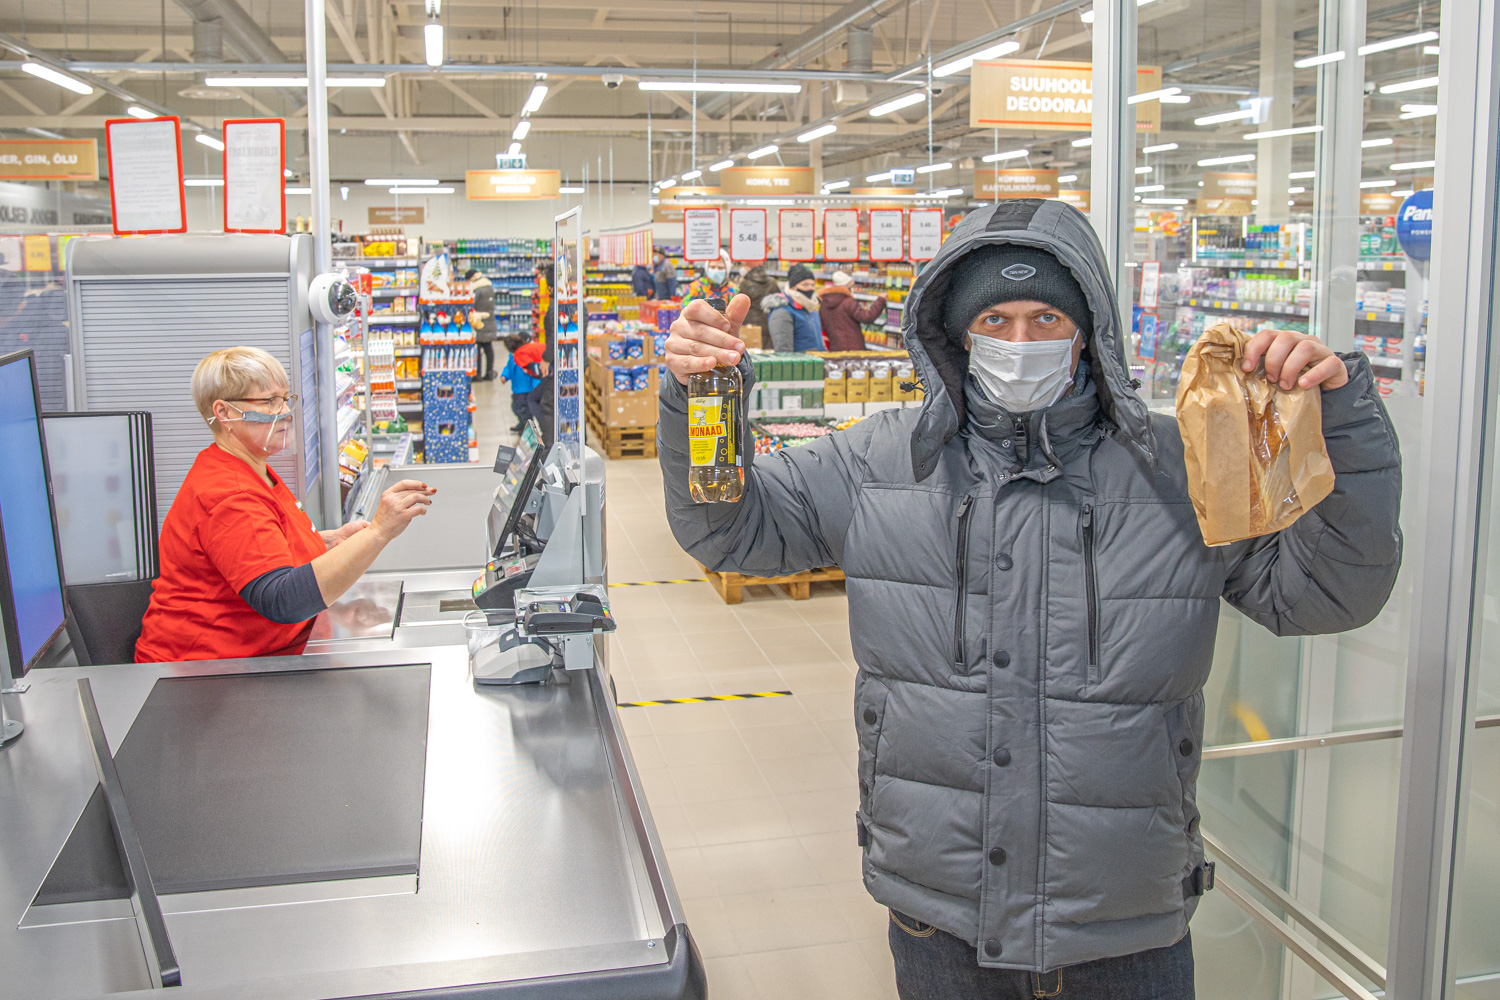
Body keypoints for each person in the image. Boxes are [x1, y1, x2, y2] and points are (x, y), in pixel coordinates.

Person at [656, 200, 1401, 999]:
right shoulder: (877, 464)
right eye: (996, 319)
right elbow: (732, 532)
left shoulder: (1180, 473)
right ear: (955, 332)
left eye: (1046, 315)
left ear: (1087, 331)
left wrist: (1342, 420)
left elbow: (1324, 595)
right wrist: (697, 400)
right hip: (940, 921)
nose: (1020, 342)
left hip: (1126, 925)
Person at [136, 347, 436, 663]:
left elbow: (258, 550)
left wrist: (329, 541)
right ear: (224, 413)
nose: (284, 412)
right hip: (203, 675)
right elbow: (284, 601)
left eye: (285, 399)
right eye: (269, 402)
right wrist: (377, 532)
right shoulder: (229, 494)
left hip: (251, 656)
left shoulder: (250, 467)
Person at [818, 269, 888, 352]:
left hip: (835, 348)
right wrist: (881, 300)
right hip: (854, 348)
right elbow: (867, 317)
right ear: (847, 287)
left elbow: (822, 327)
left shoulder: (823, 304)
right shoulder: (848, 302)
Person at [761, 262, 823, 352]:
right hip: (801, 364)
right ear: (793, 286)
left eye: (812, 285)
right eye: (805, 285)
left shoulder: (811, 308)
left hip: (815, 363)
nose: (810, 288)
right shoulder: (782, 311)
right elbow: (783, 350)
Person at [502, 333, 544, 432]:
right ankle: (523, 425)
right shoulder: (513, 357)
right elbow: (508, 368)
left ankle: (529, 429)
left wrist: (536, 384)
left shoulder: (524, 355)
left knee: (525, 410)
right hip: (517, 389)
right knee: (516, 407)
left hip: (527, 389)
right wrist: (504, 376)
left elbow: (535, 371)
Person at [466, 268, 499, 380]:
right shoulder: (489, 287)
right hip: (490, 320)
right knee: (488, 348)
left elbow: (471, 305)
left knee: (478, 348)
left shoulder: (476, 289)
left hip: (478, 321)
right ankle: (489, 372)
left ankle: (477, 374)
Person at [737, 262, 780, 333]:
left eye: (744, 266)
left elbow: (740, 305)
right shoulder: (772, 282)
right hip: (768, 323)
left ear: (750, 267)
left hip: (750, 325)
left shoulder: (745, 284)